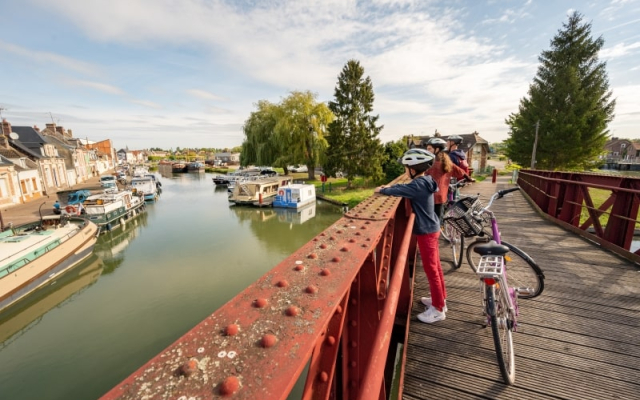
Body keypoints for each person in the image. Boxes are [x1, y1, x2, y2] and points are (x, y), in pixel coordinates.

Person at [374, 148, 447, 323]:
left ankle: (438, 310)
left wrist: (382, 190)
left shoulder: (418, 185)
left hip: (426, 232)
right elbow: (404, 188)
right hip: (432, 227)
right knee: (435, 267)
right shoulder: (425, 181)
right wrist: (390, 188)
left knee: (432, 270)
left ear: (413, 169)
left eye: (406, 167)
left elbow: (400, 190)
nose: (405, 171)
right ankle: (440, 300)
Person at [425, 137, 475, 221]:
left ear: (437, 149)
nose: (427, 151)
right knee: (438, 220)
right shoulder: (446, 162)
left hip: (431, 197)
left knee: (430, 221)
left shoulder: (432, 164)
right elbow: (461, 172)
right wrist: (469, 178)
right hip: (442, 196)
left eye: (429, 149)